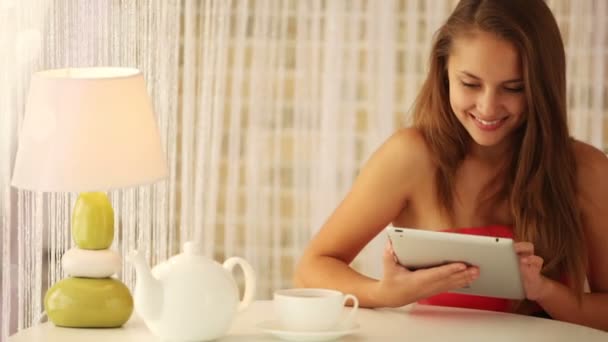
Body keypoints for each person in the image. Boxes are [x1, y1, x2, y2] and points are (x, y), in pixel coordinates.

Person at [294, 0, 608, 331]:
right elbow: (310, 269)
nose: (488, 107)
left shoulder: (585, 170)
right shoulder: (411, 157)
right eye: (470, 84)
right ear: (444, 71)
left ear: (542, 86)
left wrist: (546, 291)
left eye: (514, 88)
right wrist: (384, 293)